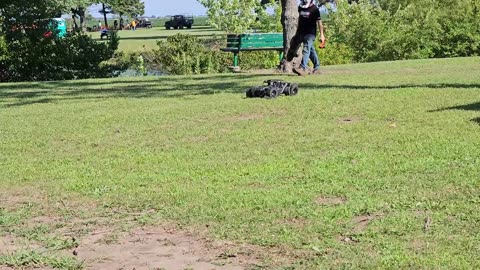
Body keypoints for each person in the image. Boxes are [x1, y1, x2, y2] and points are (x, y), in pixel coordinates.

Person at [292, 0, 325, 76]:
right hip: (302, 33)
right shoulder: (300, 7)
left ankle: (302, 68)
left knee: (306, 49)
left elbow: (319, 23)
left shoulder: (315, 9)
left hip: (311, 34)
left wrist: (322, 35)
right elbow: (299, 20)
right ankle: (317, 67)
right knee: (311, 50)